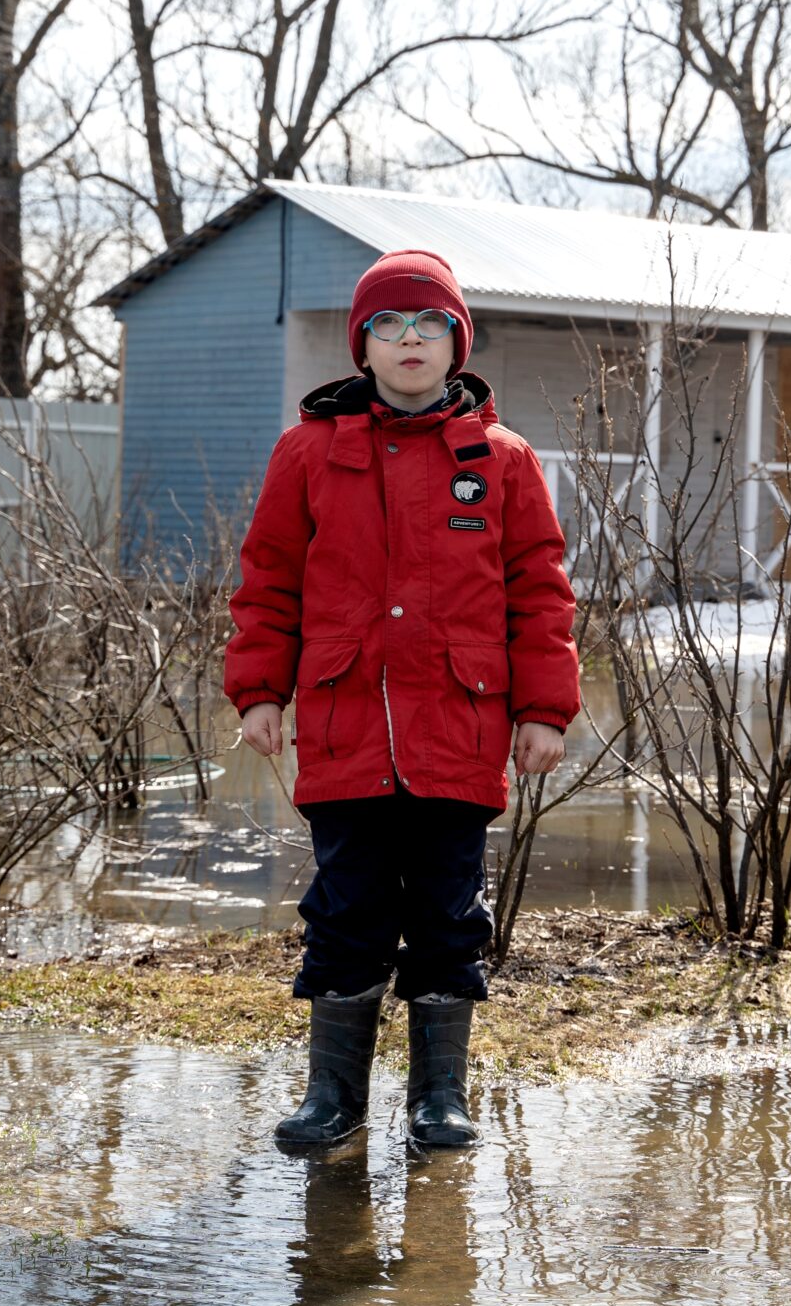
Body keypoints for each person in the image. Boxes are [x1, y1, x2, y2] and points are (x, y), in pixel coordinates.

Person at [225, 247, 579, 1151]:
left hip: (459, 730)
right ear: (363, 347)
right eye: (389, 326)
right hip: (344, 727)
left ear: (457, 342)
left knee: (446, 914)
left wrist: (544, 708)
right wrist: (260, 688)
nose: (409, 339)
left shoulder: (501, 462)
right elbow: (269, 581)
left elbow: (539, 592)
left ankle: (438, 1097)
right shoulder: (308, 454)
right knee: (346, 908)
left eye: (428, 324)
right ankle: (333, 1096)